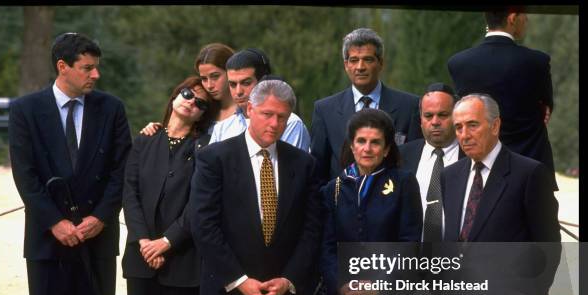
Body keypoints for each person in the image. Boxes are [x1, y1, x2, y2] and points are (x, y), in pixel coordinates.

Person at [8, 32, 132, 295]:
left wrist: (101, 217)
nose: (95, 75)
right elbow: (25, 174)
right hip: (48, 245)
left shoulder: (111, 108)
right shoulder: (26, 110)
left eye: (96, 67)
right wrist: (53, 222)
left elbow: (121, 170)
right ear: (62, 67)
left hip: (97, 242)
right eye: (87, 68)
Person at [189, 79, 321, 295]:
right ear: (250, 110)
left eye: (282, 117)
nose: (274, 124)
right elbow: (203, 225)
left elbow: (312, 229)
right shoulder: (215, 159)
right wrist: (239, 280)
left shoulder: (303, 165)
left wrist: (289, 280)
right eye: (267, 114)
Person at [441, 94, 560, 295]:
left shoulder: (529, 174)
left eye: (472, 125)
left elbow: (547, 249)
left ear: (496, 126)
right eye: (458, 128)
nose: (464, 135)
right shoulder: (450, 176)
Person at [121, 76, 214, 295]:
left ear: (204, 114)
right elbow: (129, 193)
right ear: (175, 95)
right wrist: (145, 241)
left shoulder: (205, 147)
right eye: (189, 94)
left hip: (183, 260)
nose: (192, 102)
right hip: (141, 260)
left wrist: (167, 242)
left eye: (201, 103)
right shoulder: (144, 140)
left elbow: (198, 203)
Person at [319, 108, 423, 295]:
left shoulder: (403, 183)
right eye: (361, 141)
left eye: (375, 142)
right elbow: (325, 247)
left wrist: (379, 285)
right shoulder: (333, 189)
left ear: (387, 148)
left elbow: (409, 242)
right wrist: (344, 286)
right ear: (351, 145)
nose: (367, 148)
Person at [447, 8, 557, 190]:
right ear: (512, 18)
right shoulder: (537, 62)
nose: (527, 20)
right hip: (531, 172)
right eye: (524, 15)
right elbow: (545, 109)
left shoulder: (459, 63)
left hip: (478, 172)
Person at [398, 82, 462, 295]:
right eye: (428, 115)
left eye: (443, 115)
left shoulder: (473, 154)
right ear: (420, 119)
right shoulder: (403, 156)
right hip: (416, 271)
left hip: (463, 271)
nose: (435, 121)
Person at [311, 27, 422, 183]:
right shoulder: (324, 110)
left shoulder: (409, 106)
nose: (360, 67)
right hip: (340, 203)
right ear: (346, 65)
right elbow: (318, 172)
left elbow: (414, 163)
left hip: (392, 202)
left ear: (381, 63)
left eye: (368, 59)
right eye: (354, 60)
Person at [223, 48, 311, 151]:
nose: (238, 91)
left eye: (246, 83)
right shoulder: (222, 128)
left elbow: (285, 165)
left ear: (263, 82)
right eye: (232, 84)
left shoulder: (290, 123)